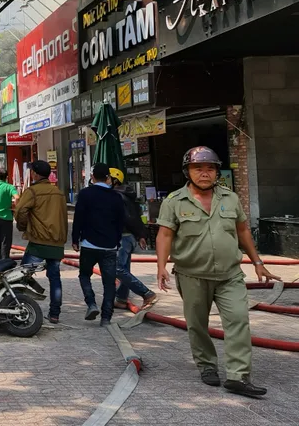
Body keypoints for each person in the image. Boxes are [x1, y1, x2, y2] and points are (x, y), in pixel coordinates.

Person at [156, 147, 281, 398]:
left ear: (216, 172)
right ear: (187, 172)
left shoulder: (230, 198)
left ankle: (238, 376)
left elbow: (243, 231)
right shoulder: (173, 202)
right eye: (198, 168)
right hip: (192, 275)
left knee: (238, 320)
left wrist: (257, 262)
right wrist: (160, 266)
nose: (205, 173)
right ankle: (206, 365)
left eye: (210, 168)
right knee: (198, 325)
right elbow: (165, 234)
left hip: (230, 275)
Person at [71, 163, 125, 326]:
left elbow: (78, 218)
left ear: (92, 176)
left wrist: (75, 239)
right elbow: (120, 223)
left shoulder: (86, 194)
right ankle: (106, 317)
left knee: (84, 275)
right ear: (108, 177)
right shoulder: (116, 197)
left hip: (89, 244)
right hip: (109, 246)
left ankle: (91, 303)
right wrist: (116, 241)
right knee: (109, 283)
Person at [15, 160, 68, 324]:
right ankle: (54, 314)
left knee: (21, 276)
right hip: (57, 242)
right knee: (55, 278)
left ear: (35, 174)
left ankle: (20, 308)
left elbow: (20, 211)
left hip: (39, 241)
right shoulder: (58, 192)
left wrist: (23, 226)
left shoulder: (33, 192)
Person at [109, 168, 158, 310]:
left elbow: (128, 218)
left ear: (115, 180)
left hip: (122, 237)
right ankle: (122, 299)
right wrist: (141, 235)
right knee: (124, 269)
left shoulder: (117, 197)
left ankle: (146, 293)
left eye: (107, 178)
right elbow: (137, 216)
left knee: (117, 268)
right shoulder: (128, 195)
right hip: (129, 237)